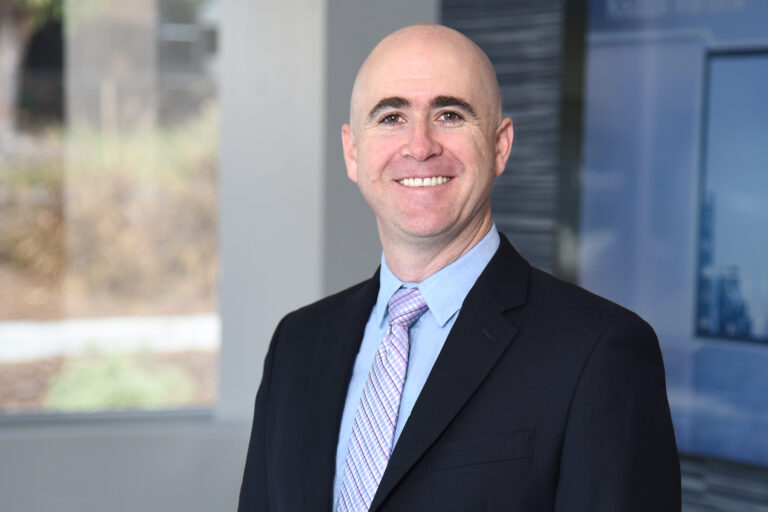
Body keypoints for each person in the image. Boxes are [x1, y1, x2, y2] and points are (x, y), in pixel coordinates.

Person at [238, 24, 680, 512]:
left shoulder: (598, 353)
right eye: (391, 117)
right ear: (352, 151)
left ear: (500, 146)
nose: (420, 145)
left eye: (449, 115)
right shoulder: (297, 344)